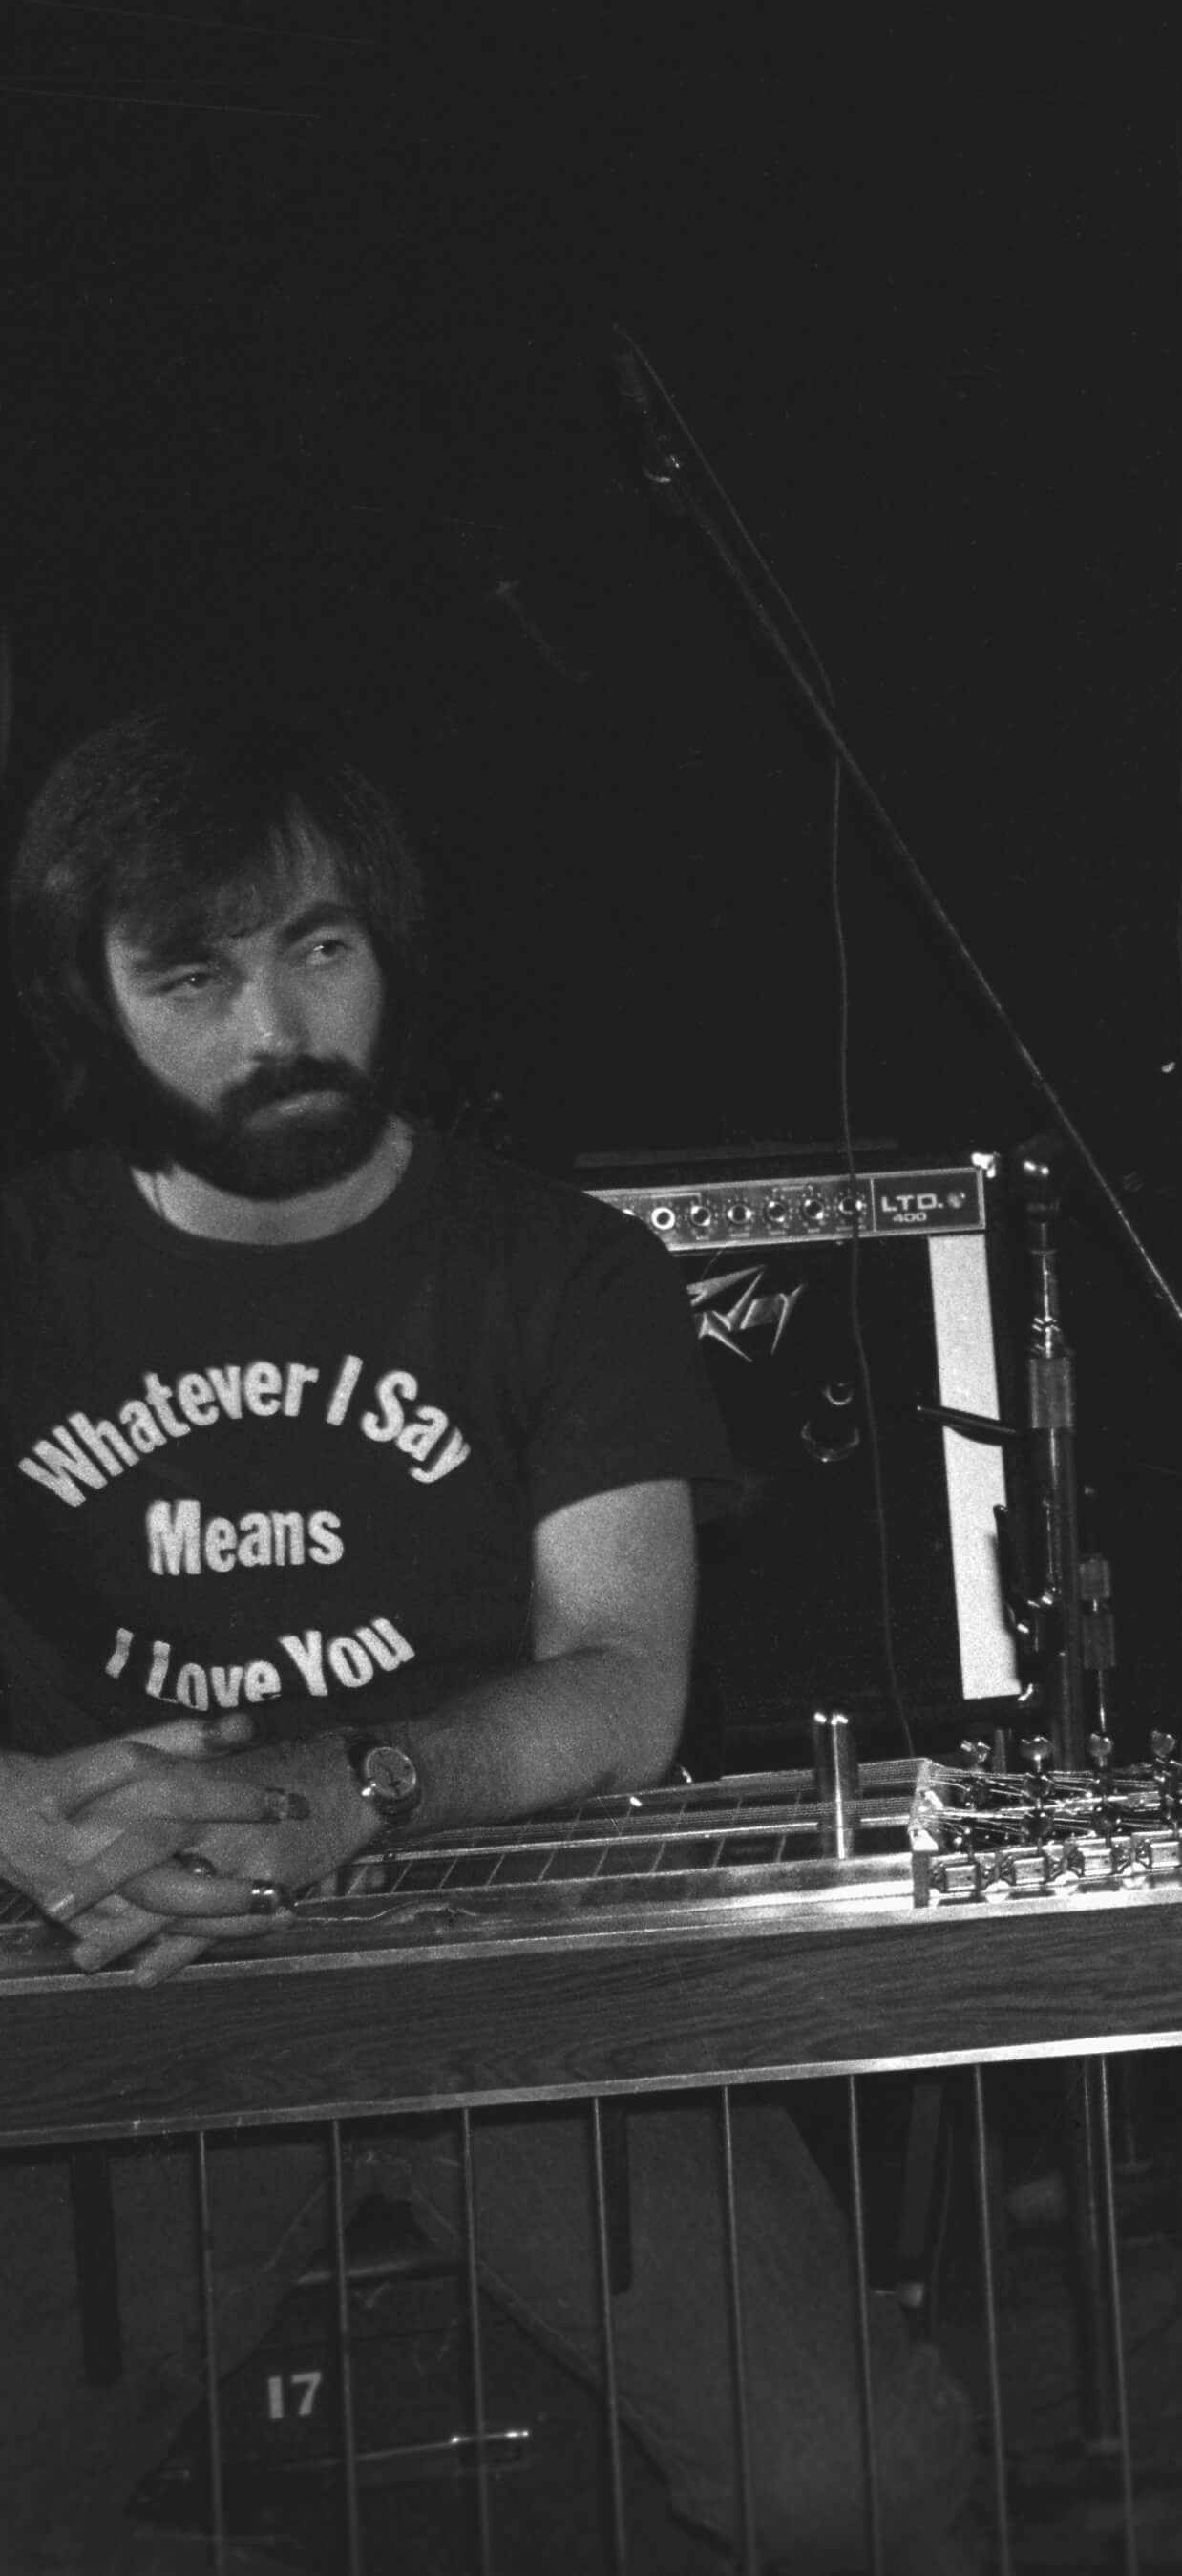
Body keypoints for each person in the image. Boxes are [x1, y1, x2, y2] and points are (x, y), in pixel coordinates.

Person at [0, 707, 983, 2575]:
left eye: (319, 946)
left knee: (857, 2485)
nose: (276, 1027)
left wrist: (365, 1784)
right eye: (191, 974)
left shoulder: (563, 1265)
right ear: (90, 998)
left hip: (508, 1947)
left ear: (389, 949)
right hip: (118, 1962)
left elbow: (625, 1672)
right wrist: (23, 1811)